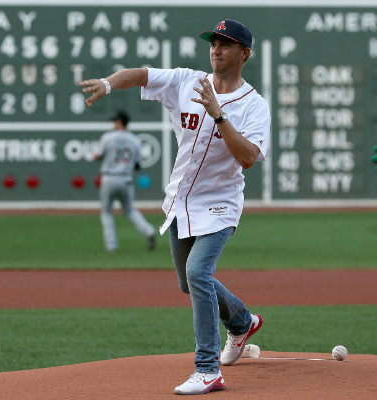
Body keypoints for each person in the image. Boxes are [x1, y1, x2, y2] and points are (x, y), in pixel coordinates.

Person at [80, 19, 270, 395]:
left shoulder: (254, 105)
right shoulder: (187, 81)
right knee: (189, 283)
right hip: (180, 202)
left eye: (226, 44)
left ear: (244, 53)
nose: (216, 49)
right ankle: (243, 321)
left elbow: (248, 157)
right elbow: (141, 75)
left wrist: (219, 114)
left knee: (199, 272)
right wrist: (108, 82)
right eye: (213, 42)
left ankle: (207, 369)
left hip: (220, 203)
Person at [93, 111, 156, 252]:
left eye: (115, 121)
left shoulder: (107, 137)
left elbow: (97, 155)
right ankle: (148, 231)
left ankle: (111, 245)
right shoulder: (135, 140)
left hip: (109, 177)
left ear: (120, 122)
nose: (113, 124)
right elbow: (138, 164)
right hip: (126, 178)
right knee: (129, 210)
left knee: (107, 212)